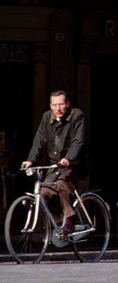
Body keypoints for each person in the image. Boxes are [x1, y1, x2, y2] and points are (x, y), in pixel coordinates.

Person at [20, 90, 87, 233]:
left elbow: (78, 141)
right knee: (43, 194)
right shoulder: (46, 118)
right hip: (54, 165)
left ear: (67, 103)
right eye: (55, 105)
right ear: (50, 106)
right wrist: (31, 160)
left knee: (62, 183)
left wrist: (69, 158)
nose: (58, 108)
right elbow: (39, 141)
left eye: (61, 104)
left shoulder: (77, 115)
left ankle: (69, 221)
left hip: (73, 164)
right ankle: (59, 223)